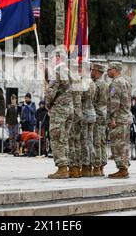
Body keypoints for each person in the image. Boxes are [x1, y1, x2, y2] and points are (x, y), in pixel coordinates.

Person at [45, 49, 74, 179]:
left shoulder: (57, 72)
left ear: (57, 58)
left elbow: (51, 92)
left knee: (57, 138)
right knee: (64, 138)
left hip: (59, 110)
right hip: (69, 108)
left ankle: (62, 168)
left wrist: (47, 105)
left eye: (51, 58)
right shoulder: (68, 72)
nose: (50, 61)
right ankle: (65, 166)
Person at [107, 62, 132, 179]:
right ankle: (124, 167)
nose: (107, 72)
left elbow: (114, 102)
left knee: (118, 144)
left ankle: (122, 169)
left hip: (119, 119)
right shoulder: (125, 82)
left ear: (115, 70)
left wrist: (112, 118)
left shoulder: (116, 83)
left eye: (109, 69)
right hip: (126, 117)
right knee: (124, 144)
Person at [91, 64, 108, 176]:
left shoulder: (96, 85)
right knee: (102, 141)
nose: (91, 72)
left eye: (93, 70)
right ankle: (101, 166)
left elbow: (91, 100)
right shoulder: (106, 84)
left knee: (96, 142)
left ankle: (97, 167)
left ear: (97, 71)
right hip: (103, 114)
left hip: (96, 114)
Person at [80, 67, 96, 177]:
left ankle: (86, 165)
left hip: (85, 113)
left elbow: (80, 98)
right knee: (90, 140)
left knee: (84, 141)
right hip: (91, 112)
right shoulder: (92, 83)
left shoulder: (84, 83)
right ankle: (91, 164)